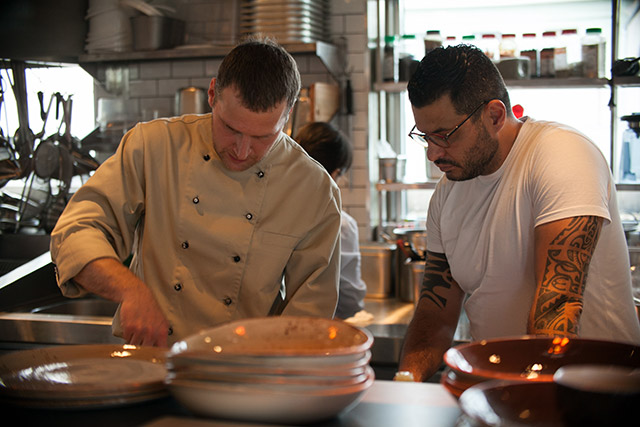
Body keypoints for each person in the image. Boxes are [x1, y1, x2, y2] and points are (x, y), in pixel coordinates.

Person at [49, 38, 342, 347]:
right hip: (151, 363)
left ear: (288, 114)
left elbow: (310, 316)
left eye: (262, 137)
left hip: (245, 374)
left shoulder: (314, 190)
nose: (242, 151)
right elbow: (75, 232)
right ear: (212, 94)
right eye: (230, 129)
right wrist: (131, 291)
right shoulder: (152, 146)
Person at [398, 44, 640, 382]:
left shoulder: (562, 155)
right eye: (425, 137)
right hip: (505, 391)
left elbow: (557, 304)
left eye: (445, 136)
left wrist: (524, 401)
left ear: (495, 115)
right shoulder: (448, 192)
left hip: (594, 394)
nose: (433, 154)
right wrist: (405, 380)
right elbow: (436, 312)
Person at [295, 122, 367, 319]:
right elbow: (349, 293)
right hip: (321, 332)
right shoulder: (340, 224)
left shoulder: (274, 209)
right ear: (335, 173)